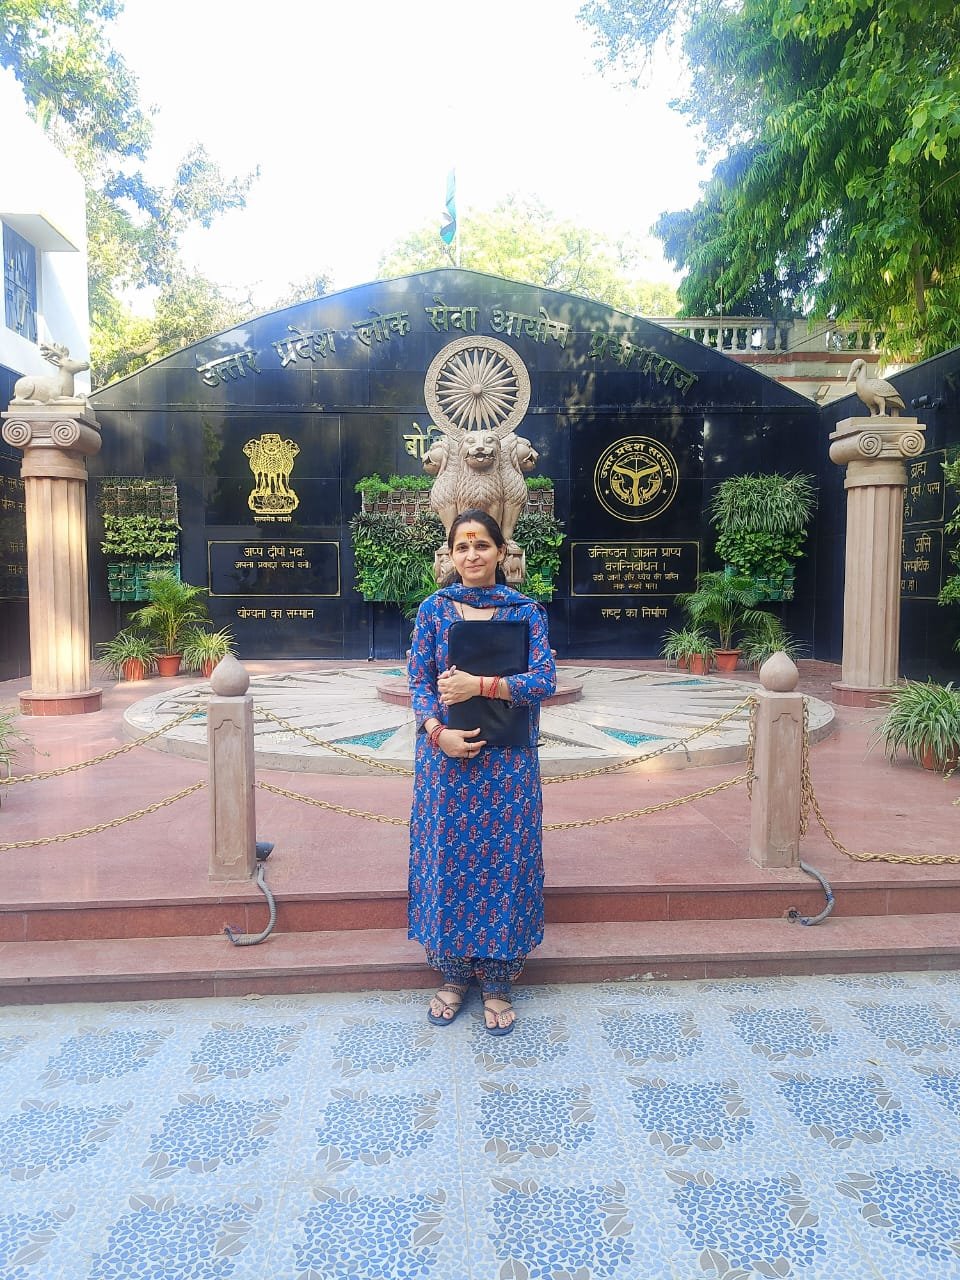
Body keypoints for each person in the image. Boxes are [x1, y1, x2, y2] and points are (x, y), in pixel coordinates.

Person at [407, 508, 557, 1035]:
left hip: (508, 763)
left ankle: (497, 981)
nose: (471, 555)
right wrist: (437, 733)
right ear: (450, 555)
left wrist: (481, 686)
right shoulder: (434, 610)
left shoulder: (526, 612)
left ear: (501, 551)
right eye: (462, 547)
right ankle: (452, 975)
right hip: (447, 761)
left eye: (482, 545)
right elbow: (419, 681)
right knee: (449, 859)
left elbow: (544, 680)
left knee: (504, 861)